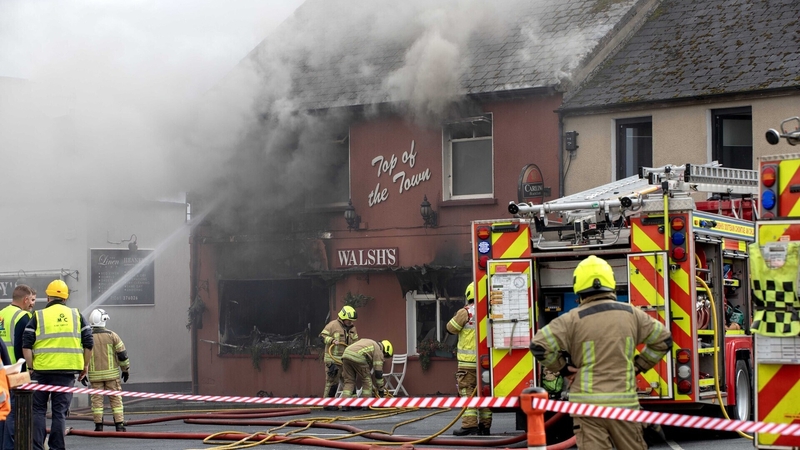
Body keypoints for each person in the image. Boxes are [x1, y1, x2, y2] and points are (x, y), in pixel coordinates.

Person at [530, 255, 672, 450]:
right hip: (625, 406)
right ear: (611, 283)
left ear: (578, 286)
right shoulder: (632, 314)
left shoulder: (572, 319)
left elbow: (539, 345)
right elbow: (664, 340)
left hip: (587, 408)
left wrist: (564, 369)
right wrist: (638, 366)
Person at [22, 280, 93, 450]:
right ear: (66, 298)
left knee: (38, 410)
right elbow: (89, 342)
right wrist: (85, 365)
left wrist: (31, 368)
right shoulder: (76, 315)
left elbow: (26, 345)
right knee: (59, 413)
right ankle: (56, 448)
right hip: (66, 373)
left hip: (42, 372)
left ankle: (37, 447)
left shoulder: (38, 316)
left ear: (48, 297)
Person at [446, 282, 491, 436]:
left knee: (467, 391)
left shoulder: (466, 312)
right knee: (484, 393)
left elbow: (450, 328)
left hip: (467, 363)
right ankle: (485, 426)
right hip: (487, 362)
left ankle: (469, 424)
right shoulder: (491, 309)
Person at [0, 285, 35, 450]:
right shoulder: (23, 316)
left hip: (1, 372)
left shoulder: (1, 314)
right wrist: (26, 369)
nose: (32, 304)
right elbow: (23, 346)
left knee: (2, 413)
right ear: (25, 299)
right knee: (14, 413)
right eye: (32, 300)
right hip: (15, 373)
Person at [84, 308, 130, 432]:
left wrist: (81, 373)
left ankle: (98, 426)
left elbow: (81, 356)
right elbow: (122, 355)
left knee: (97, 401)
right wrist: (125, 370)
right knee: (115, 399)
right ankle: (119, 425)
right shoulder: (112, 335)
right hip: (112, 376)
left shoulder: (87, 337)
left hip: (95, 376)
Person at [319, 305, 359, 411]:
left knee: (349, 380)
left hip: (345, 360)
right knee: (332, 381)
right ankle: (328, 404)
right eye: (349, 320)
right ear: (343, 317)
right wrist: (331, 340)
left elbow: (355, 343)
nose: (351, 322)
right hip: (332, 359)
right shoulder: (332, 325)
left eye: (352, 321)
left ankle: (352, 403)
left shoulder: (353, 329)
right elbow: (321, 337)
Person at [340, 338, 392, 410]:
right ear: (385, 351)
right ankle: (366, 403)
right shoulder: (378, 350)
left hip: (345, 355)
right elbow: (378, 373)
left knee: (349, 381)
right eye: (385, 356)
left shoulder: (369, 342)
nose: (383, 358)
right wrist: (381, 390)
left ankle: (345, 405)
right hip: (358, 356)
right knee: (366, 380)